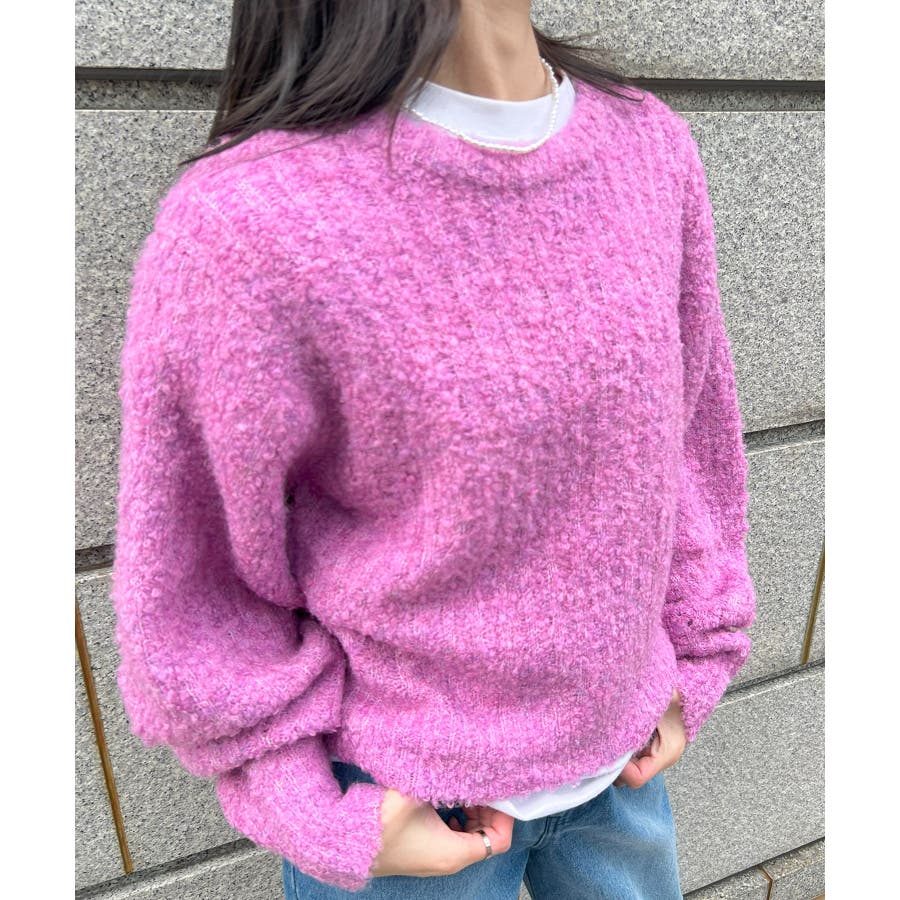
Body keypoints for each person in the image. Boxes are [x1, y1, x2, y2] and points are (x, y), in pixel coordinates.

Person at [111, 1, 757, 897]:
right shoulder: (250, 222)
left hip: (624, 772)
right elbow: (195, 579)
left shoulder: (648, 148)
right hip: (406, 806)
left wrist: (695, 656)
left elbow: (687, 440)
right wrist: (306, 805)